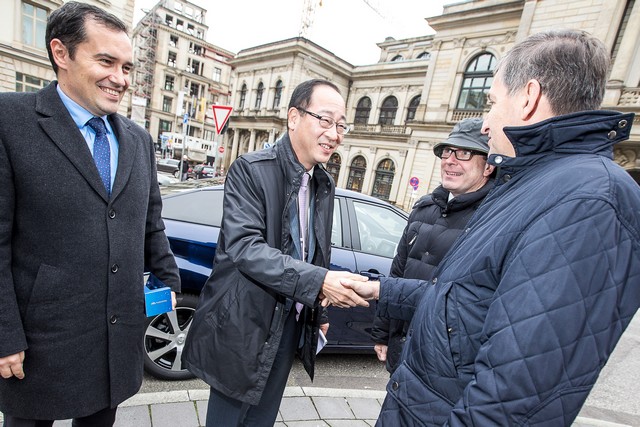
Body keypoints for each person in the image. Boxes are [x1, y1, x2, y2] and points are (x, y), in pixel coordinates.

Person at [341, 29, 640, 425]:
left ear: (529, 97)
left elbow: (514, 393)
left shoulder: (589, 201)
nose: (484, 124)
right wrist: (380, 290)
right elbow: (462, 299)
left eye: (492, 102)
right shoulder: (534, 184)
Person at [0, 2, 181, 426]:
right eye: (106, 61)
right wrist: (4, 333)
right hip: (39, 343)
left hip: (116, 340)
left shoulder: (139, 140)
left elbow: (150, 222)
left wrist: (167, 279)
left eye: (127, 67)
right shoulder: (10, 120)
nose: (120, 79)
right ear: (61, 54)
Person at [182, 79, 369, 427]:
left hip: (288, 326)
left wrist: (316, 309)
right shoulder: (251, 170)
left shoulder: (322, 184)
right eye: (325, 120)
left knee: (261, 420)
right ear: (294, 117)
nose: (335, 133)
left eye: (341, 125)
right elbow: (245, 248)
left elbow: (313, 252)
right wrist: (320, 282)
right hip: (244, 326)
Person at [370, 117, 494, 374]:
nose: (450, 160)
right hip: (401, 347)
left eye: (465, 153)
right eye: (447, 151)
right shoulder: (424, 207)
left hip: (444, 360)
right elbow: (398, 271)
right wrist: (382, 333)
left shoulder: (492, 219)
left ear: (488, 166)